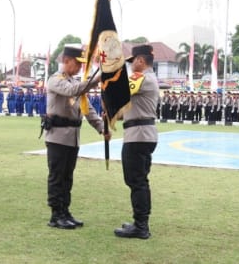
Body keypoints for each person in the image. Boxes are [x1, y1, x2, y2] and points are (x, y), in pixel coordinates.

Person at [44, 46, 109, 229]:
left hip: (72, 137)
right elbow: (73, 91)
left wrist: (101, 128)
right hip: (57, 137)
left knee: (67, 177)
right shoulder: (56, 80)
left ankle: (65, 211)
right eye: (77, 63)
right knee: (57, 176)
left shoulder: (75, 82)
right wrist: (95, 80)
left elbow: (87, 109)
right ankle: (56, 215)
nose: (80, 67)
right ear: (66, 61)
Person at [114, 45, 158, 240]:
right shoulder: (146, 79)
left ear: (141, 60)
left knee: (137, 181)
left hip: (138, 135)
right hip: (140, 133)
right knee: (137, 180)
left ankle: (141, 226)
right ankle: (140, 222)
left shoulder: (142, 78)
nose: (131, 66)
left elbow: (120, 90)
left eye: (132, 62)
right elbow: (126, 107)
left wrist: (109, 74)